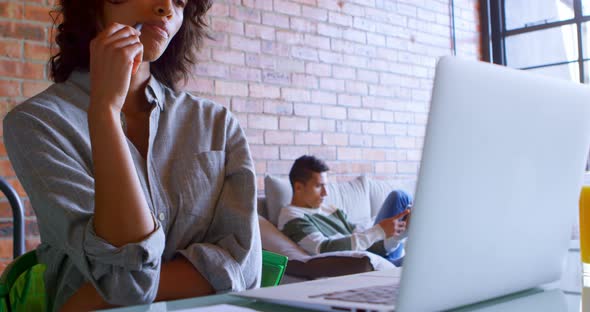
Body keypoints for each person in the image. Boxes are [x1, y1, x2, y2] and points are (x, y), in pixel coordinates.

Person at [3, 0, 261, 311]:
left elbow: (245, 269)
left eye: (180, 2)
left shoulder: (217, 123)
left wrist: (97, 295)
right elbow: (128, 285)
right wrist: (104, 113)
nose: (167, 7)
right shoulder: (38, 122)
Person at [278, 155, 412, 267]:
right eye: (319, 186)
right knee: (400, 197)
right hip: (359, 266)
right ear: (298, 187)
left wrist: (398, 234)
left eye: (326, 186)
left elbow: (363, 243)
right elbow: (323, 248)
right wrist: (378, 230)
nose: (326, 193)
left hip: (375, 257)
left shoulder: (330, 209)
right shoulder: (292, 216)